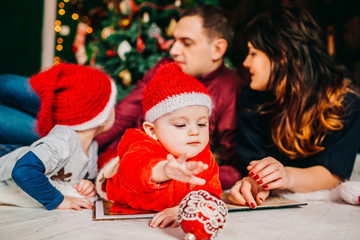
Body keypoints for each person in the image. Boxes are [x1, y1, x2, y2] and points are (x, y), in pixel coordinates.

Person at [0, 5, 244, 188]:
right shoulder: (167, 65)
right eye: (175, 40)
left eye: (186, 43)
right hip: (93, 127)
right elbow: (125, 111)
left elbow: (234, 165)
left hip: (111, 154)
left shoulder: (230, 90)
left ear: (218, 49)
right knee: (9, 83)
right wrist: (82, 134)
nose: (174, 49)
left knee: (4, 120)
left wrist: (185, 169)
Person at [229, 6, 360, 209]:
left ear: (282, 56)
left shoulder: (343, 98)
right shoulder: (251, 96)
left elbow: (333, 175)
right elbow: (253, 165)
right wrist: (255, 181)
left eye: (253, 53)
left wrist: (286, 175)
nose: (246, 62)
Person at [96, 63, 222, 229]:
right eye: (180, 125)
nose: (194, 132)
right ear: (152, 130)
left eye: (202, 124)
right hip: (118, 178)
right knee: (107, 161)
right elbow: (134, 169)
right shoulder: (141, 144)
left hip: (165, 204)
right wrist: (163, 170)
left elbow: (211, 191)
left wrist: (182, 209)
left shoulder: (203, 156)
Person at [0, 63, 117, 211]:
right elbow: (23, 170)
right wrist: (58, 200)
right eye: (112, 105)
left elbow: (83, 178)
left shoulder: (92, 147)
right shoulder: (62, 140)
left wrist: (88, 186)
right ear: (102, 117)